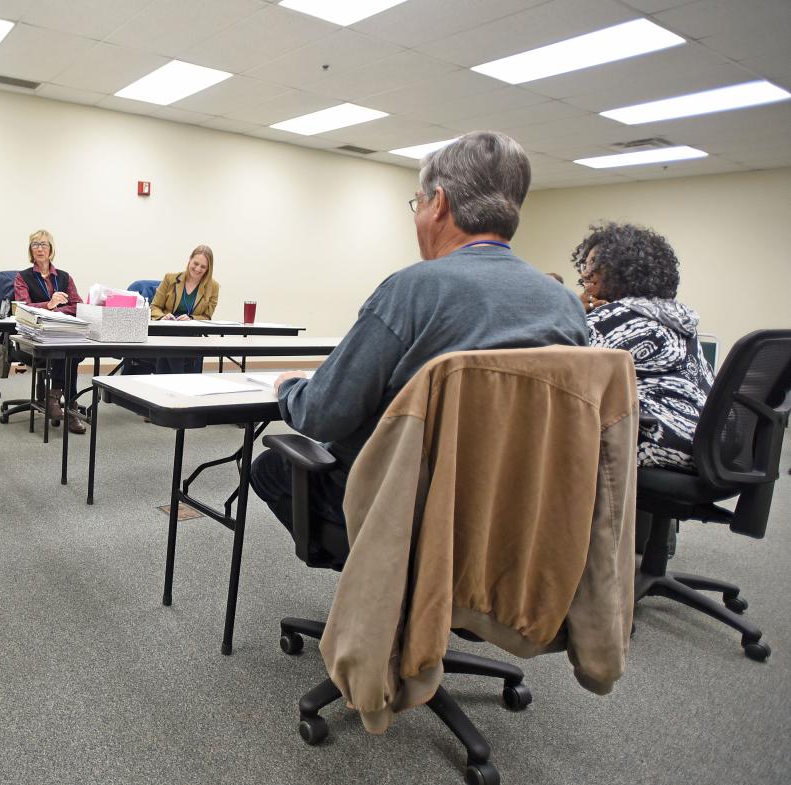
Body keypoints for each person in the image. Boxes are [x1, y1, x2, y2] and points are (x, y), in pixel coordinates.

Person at [249, 131, 589, 533]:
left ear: (439, 204)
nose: (417, 215)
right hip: (516, 511)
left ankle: (388, 583)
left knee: (271, 468)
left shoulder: (412, 289)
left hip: (409, 510)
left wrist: (290, 387)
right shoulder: (565, 303)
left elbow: (323, 414)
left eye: (418, 203)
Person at [573, 222, 713, 472]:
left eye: (592, 265)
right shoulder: (678, 316)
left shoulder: (609, 320)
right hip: (710, 442)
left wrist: (573, 311)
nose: (585, 274)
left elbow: (565, 376)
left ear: (618, 270)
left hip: (659, 442)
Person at [11, 229, 86, 434]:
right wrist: (50, 305)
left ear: (51, 249)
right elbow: (24, 308)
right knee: (66, 353)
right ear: (30, 250)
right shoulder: (22, 277)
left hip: (61, 330)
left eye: (44, 244)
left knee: (73, 350)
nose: (40, 248)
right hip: (35, 335)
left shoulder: (64, 277)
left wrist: (57, 309)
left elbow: (78, 305)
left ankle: (54, 396)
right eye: (35, 244)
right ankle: (70, 408)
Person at [149, 245, 220, 374]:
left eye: (203, 267)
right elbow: (154, 306)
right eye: (195, 263)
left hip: (190, 332)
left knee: (172, 340)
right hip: (167, 327)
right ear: (190, 260)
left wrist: (191, 318)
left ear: (208, 269)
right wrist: (162, 317)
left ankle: (164, 377)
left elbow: (207, 316)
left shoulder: (213, 286)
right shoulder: (170, 279)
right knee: (171, 335)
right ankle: (180, 376)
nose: (198, 269)